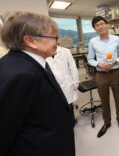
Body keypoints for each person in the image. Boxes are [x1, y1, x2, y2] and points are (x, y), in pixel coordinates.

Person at [0, 11, 75, 156]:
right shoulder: (20, 74)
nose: (58, 42)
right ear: (31, 41)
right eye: (54, 37)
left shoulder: (30, 63)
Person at [87, 15, 119, 138]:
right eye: (97, 25)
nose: (100, 26)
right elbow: (90, 59)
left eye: (102, 24)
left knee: (118, 98)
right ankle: (107, 122)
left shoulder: (116, 39)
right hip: (101, 74)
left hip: (115, 73)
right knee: (104, 100)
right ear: (95, 28)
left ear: (107, 25)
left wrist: (115, 61)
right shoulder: (93, 42)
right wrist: (99, 63)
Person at [46, 45, 79, 123]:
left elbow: (73, 67)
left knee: (69, 106)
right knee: (56, 106)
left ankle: (71, 123)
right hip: (52, 83)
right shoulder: (43, 51)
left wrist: (76, 81)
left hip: (66, 83)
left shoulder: (65, 51)